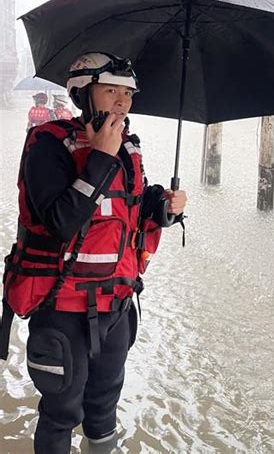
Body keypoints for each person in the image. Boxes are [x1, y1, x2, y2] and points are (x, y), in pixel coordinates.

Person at [0, 52, 187, 453]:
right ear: (83, 94)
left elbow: (130, 208)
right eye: (111, 91)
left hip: (117, 307)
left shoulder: (129, 148)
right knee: (62, 411)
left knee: (104, 409)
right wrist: (101, 155)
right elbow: (60, 221)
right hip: (62, 307)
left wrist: (165, 206)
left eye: (128, 94)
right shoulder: (48, 143)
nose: (122, 102)